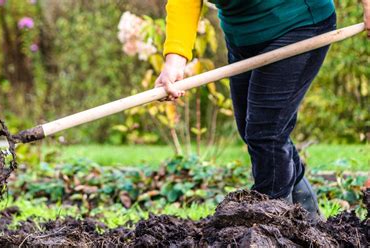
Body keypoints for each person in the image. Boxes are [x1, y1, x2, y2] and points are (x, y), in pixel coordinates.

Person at [155, 0, 370, 220]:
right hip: (243, 38)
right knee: (255, 131)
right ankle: (309, 220)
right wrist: (174, 62)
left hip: (298, 24)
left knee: (266, 132)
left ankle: (274, 225)